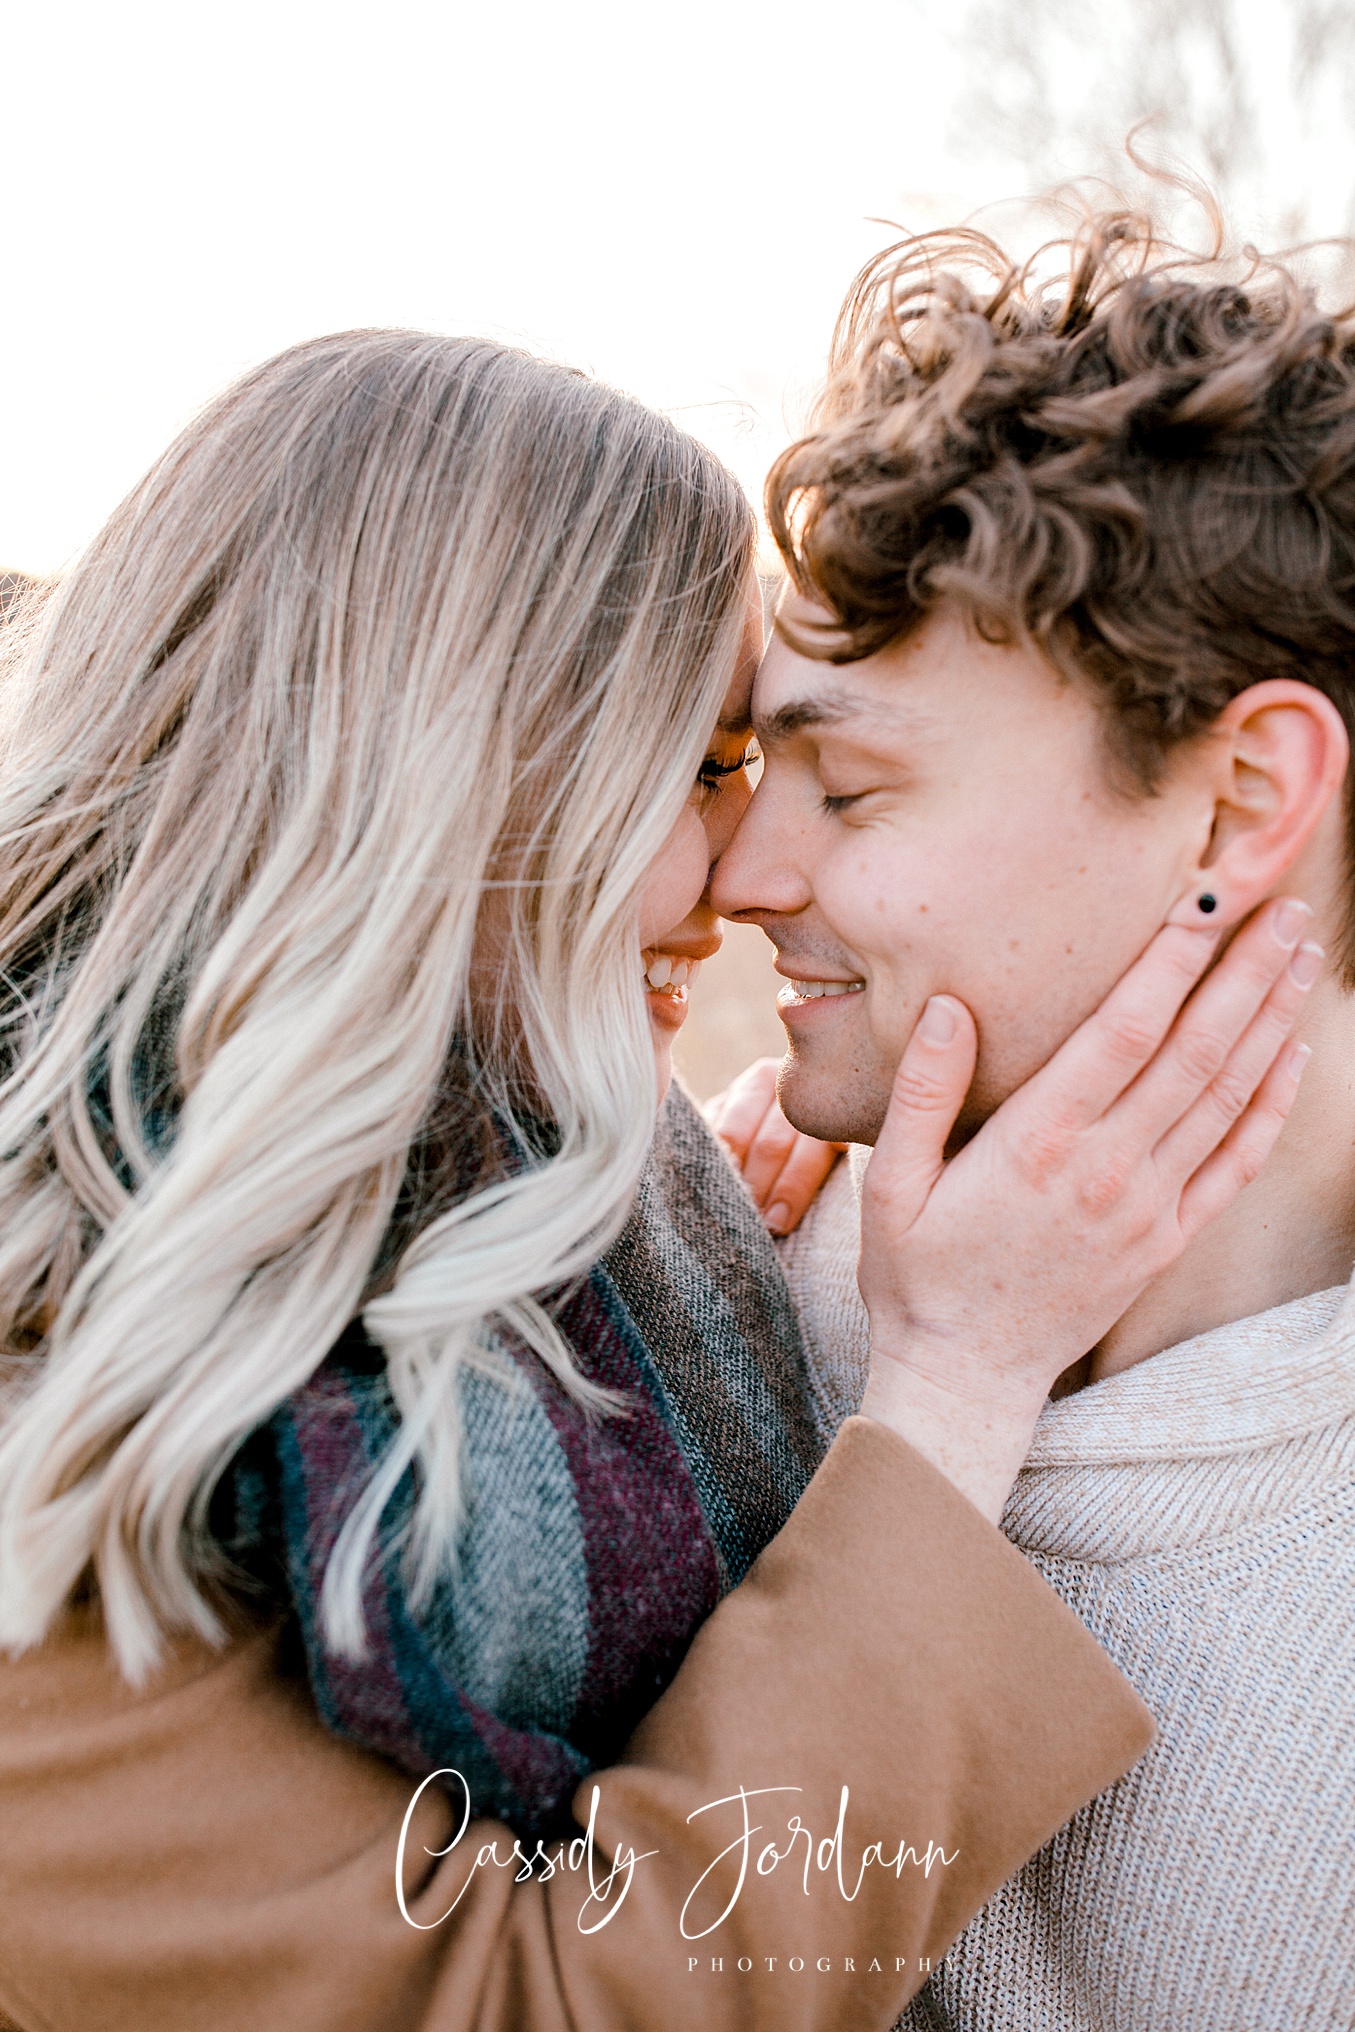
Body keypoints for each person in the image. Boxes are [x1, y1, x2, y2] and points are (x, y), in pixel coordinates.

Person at [0, 325, 1307, 2032]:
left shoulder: (565, 1214)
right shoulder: (51, 1388)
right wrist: (953, 1388)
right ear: (434, 785)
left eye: (790, 775)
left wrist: (651, 1248)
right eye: (699, 772)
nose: (742, 872)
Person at [711, 205, 1355, 2030]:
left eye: (850, 785)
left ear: (1241, 797)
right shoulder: (741, 1275)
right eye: (762, 769)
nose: (747, 873)